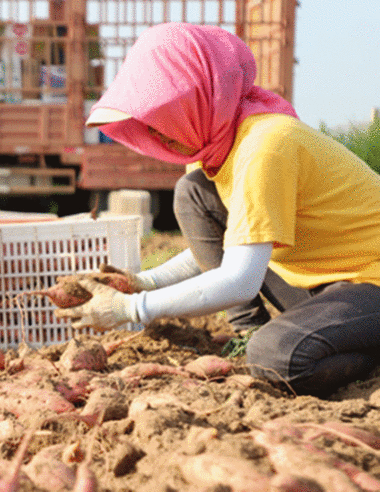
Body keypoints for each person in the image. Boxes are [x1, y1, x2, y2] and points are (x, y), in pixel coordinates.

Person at [58, 22, 380, 397]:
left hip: (369, 280)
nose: (158, 134)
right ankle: (252, 331)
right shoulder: (213, 150)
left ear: (200, 98)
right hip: (320, 282)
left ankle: (366, 353)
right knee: (192, 193)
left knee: (276, 357)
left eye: (166, 115)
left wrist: (131, 307)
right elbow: (233, 246)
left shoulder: (266, 146)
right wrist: (148, 281)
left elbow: (240, 279)